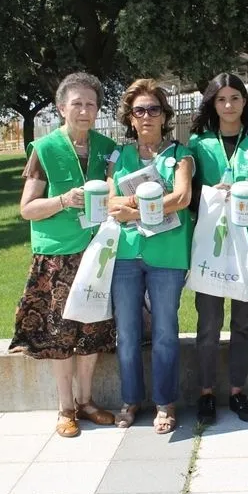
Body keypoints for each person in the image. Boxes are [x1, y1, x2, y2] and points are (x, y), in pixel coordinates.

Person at [10, 72, 118, 438]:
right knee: (60, 334)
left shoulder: (107, 147)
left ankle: (87, 402)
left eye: (91, 103)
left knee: (93, 330)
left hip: (97, 251)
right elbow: (27, 208)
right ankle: (65, 408)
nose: (84, 110)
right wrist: (61, 201)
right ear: (61, 108)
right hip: (57, 256)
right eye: (77, 104)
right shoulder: (45, 149)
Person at [188, 73, 248, 425]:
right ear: (212, 103)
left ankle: (238, 390)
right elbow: (188, 187)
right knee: (209, 320)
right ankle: (206, 392)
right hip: (211, 242)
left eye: (235, 98)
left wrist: (241, 187)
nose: (228, 105)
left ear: (245, 101)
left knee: (243, 320)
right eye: (221, 99)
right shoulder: (198, 143)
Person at [106, 78, 193, 433]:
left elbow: (183, 198)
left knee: (164, 332)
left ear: (164, 115)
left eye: (153, 109)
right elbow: (110, 201)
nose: (146, 116)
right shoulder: (119, 156)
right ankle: (130, 399)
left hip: (168, 254)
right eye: (139, 110)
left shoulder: (180, 155)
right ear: (130, 118)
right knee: (125, 333)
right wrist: (136, 205)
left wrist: (134, 210)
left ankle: (164, 402)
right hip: (126, 254)